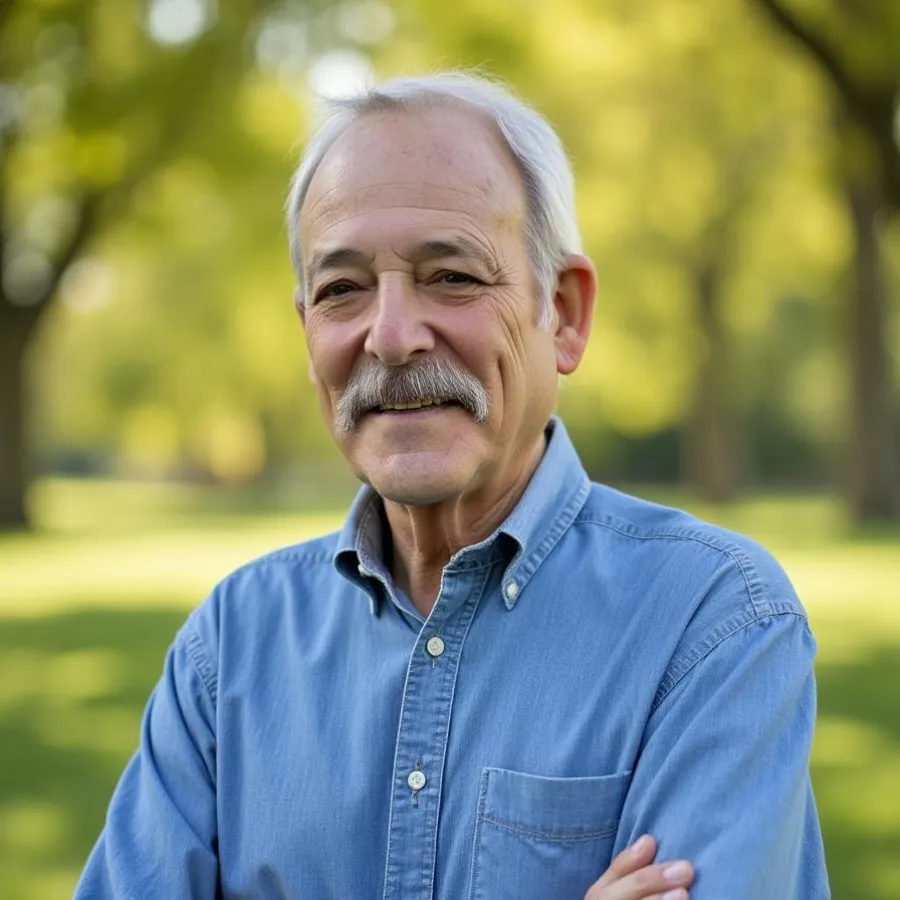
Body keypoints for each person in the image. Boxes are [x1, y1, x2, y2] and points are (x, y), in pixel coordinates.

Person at [75, 72, 830, 900]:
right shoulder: (229, 652)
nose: (391, 337)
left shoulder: (715, 624)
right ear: (308, 334)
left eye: (453, 277)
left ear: (565, 314)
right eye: (342, 290)